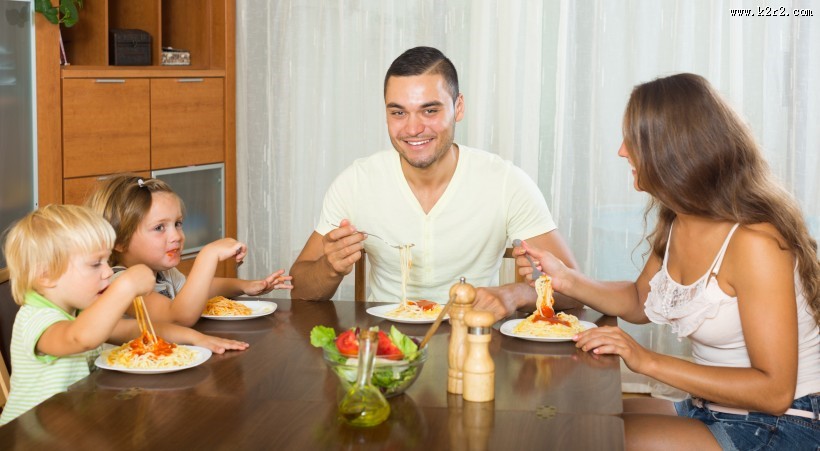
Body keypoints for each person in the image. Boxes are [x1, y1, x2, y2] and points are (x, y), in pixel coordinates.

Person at [516, 73, 820, 449]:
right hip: (709, 408)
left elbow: (775, 392)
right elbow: (639, 301)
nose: (622, 151)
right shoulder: (679, 218)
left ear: (673, 149)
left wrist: (646, 360)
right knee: (574, 413)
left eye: (634, 140)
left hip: (785, 424)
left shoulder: (755, 242)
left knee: (591, 439)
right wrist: (567, 280)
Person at [289, 46, 577, 318]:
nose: (413, 129)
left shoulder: (506, 182)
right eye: (398, 112)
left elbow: (575, 293)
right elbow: (299, 290)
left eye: (430, 110)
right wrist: (329, 267)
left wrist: (518, 294)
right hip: (386, 348)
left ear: (458, 107)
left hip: (472, 343)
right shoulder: (355, 182)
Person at [0, 205, 249, 425]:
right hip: (29, 435)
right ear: (46, 276)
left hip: (77, 421)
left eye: (107, 262)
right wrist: (125, 286)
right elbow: (81, 338)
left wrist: (197, 339)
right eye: (95, 264)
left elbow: (141, 330)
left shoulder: (81, 311)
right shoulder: (36, 318)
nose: (108, 272)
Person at [85, 174, 292, 327]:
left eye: (178, 223)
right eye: (159, 228)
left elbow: (197, 289)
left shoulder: (161, 272)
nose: (176, 236)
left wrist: (245, 286)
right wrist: (208, 255)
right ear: (119, 240)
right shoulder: (118, 282)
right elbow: (178, 317)